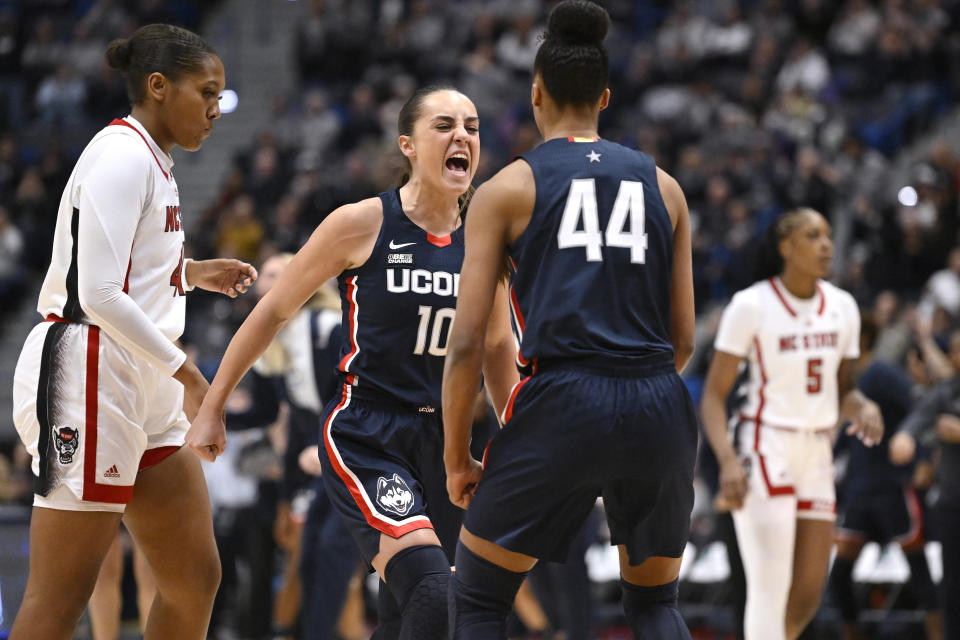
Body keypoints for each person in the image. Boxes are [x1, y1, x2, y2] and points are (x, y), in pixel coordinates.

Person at [187, 85, 519, 639]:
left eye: (472, 126)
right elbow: (271, 313)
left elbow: (497, 350)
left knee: (412, 613)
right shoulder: (362, 222)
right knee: (436, 595)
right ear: (408, 145)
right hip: (369, 431)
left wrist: (523, 438)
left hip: (451, 441)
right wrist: (213, 405)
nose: (462, 135)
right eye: (444, 125)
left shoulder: (489, 239)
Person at [442, 2, 698, 637]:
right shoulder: (666, 188)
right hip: (659, 398)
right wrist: (633, 405)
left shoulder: (506, 190)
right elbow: (684, 338)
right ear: (605, 97)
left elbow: (468, 341)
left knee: (477, 599)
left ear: (536, 93)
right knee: (655, 606)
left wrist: (457, 459)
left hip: (562, 400)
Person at [9, 24, 257, 640]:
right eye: (205, 91)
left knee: (194, 577)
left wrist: (189, 272)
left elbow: (127, 265)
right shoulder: (120, 155)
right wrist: (192, 376)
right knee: (59, 600)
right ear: (157, 86)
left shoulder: (156, 159)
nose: (213, 108)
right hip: (88, 371)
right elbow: (96, 293)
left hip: (139, 379)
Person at [701, 208, 883, 640]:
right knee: (769, 589)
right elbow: (712, 396)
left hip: (818, 450)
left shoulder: (843, 307)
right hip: (765, 446)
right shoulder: (751, 305)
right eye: (812, 235)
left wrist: (864, 407)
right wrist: (727, 461)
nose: (826, 245)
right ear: (786, 247)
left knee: (807, 593)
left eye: (827, 235)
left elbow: (843, 390)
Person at [830, 314, 940, 640]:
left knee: (918, 575)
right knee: (839, 579)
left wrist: (920, 458)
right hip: (859, 490)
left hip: (893, 487)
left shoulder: (883, 375)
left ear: (860, 339)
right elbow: (845, 436)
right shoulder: (848, 380)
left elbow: (918, 412)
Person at [890, 328, 960, 640]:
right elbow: (920, 417)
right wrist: (904, 437)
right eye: (955, 349)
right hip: (951, 502)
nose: (957, 355)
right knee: (952, 587)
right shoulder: (947, 392)